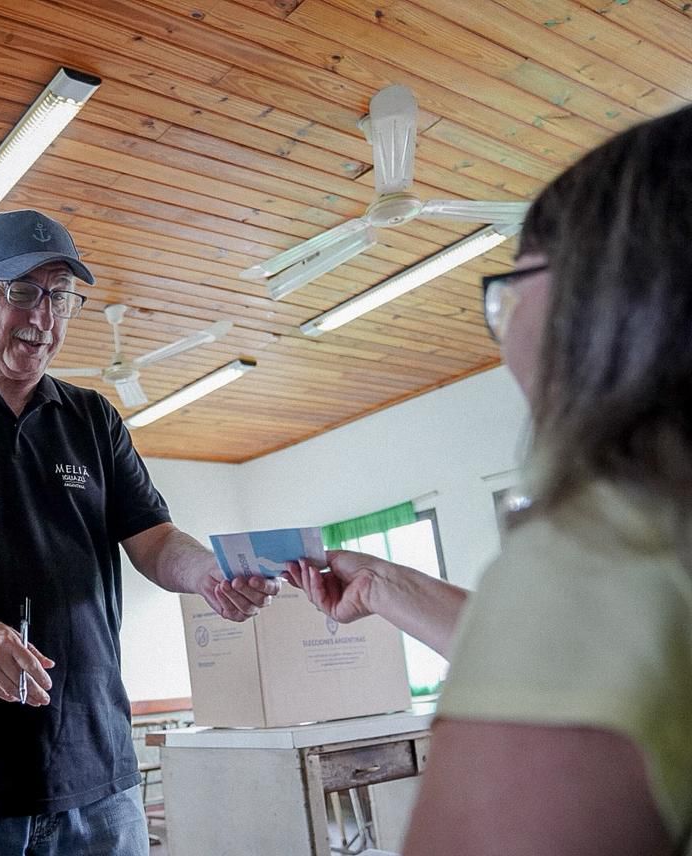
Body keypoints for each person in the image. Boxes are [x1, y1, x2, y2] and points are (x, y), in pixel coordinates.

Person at [288, 106, 692, 855]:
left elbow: (579, 636)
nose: (502, 320)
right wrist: (381, 584)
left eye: (515, 279)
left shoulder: (605, 549)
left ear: (607, 296)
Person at [0, 209, 277, 855]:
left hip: (95, 773)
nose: (43, 316)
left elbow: (154, 537)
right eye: (21, 290)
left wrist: (207, 575)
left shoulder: (92, 419)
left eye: (61, 295)